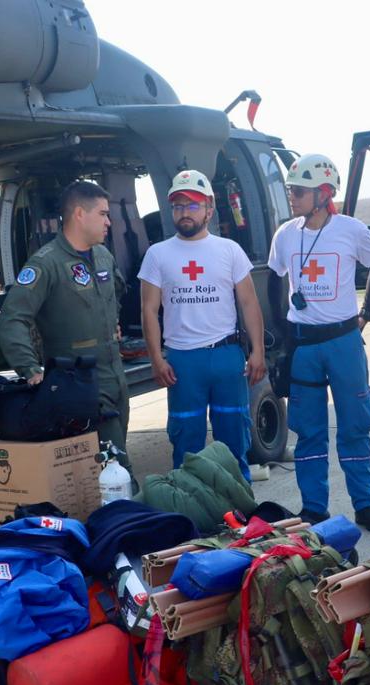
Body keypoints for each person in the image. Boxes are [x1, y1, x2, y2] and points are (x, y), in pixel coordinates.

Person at [267, 153, 370, 533]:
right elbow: (274, 279)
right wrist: (283, 329)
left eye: (299, 191)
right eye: (291, 190)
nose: (293, 197)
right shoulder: (286, 234)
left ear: (323, 193)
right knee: (309, 430)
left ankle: (365, 506)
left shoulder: (351, 230)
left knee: (355, 424)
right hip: (304, 346)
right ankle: (314, 509)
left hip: (343, 342)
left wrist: (366, 312)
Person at [0, 180, 135, 480]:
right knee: (117, 469)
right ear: (80, 215)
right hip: (80, 383)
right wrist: (30, 368)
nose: (109, 222)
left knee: (110, 464)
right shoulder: (46, 264)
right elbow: (12, 318)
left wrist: (113, 323)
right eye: (103, 214)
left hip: (115, 374)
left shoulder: (103, 256)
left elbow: (116, 293)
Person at [138, 170, 266, 478]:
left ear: (209, 209)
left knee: (234, 437)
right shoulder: (158, 254)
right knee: (186, 443)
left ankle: (240, 508)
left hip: (225, 356)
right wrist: (156, 359)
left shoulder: (229, 250)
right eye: (178, 206)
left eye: (192, 205)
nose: (184, 212)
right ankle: (192, 513)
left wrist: (258, 351)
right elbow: (148, 310)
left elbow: (249, 303)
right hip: (183, 362)